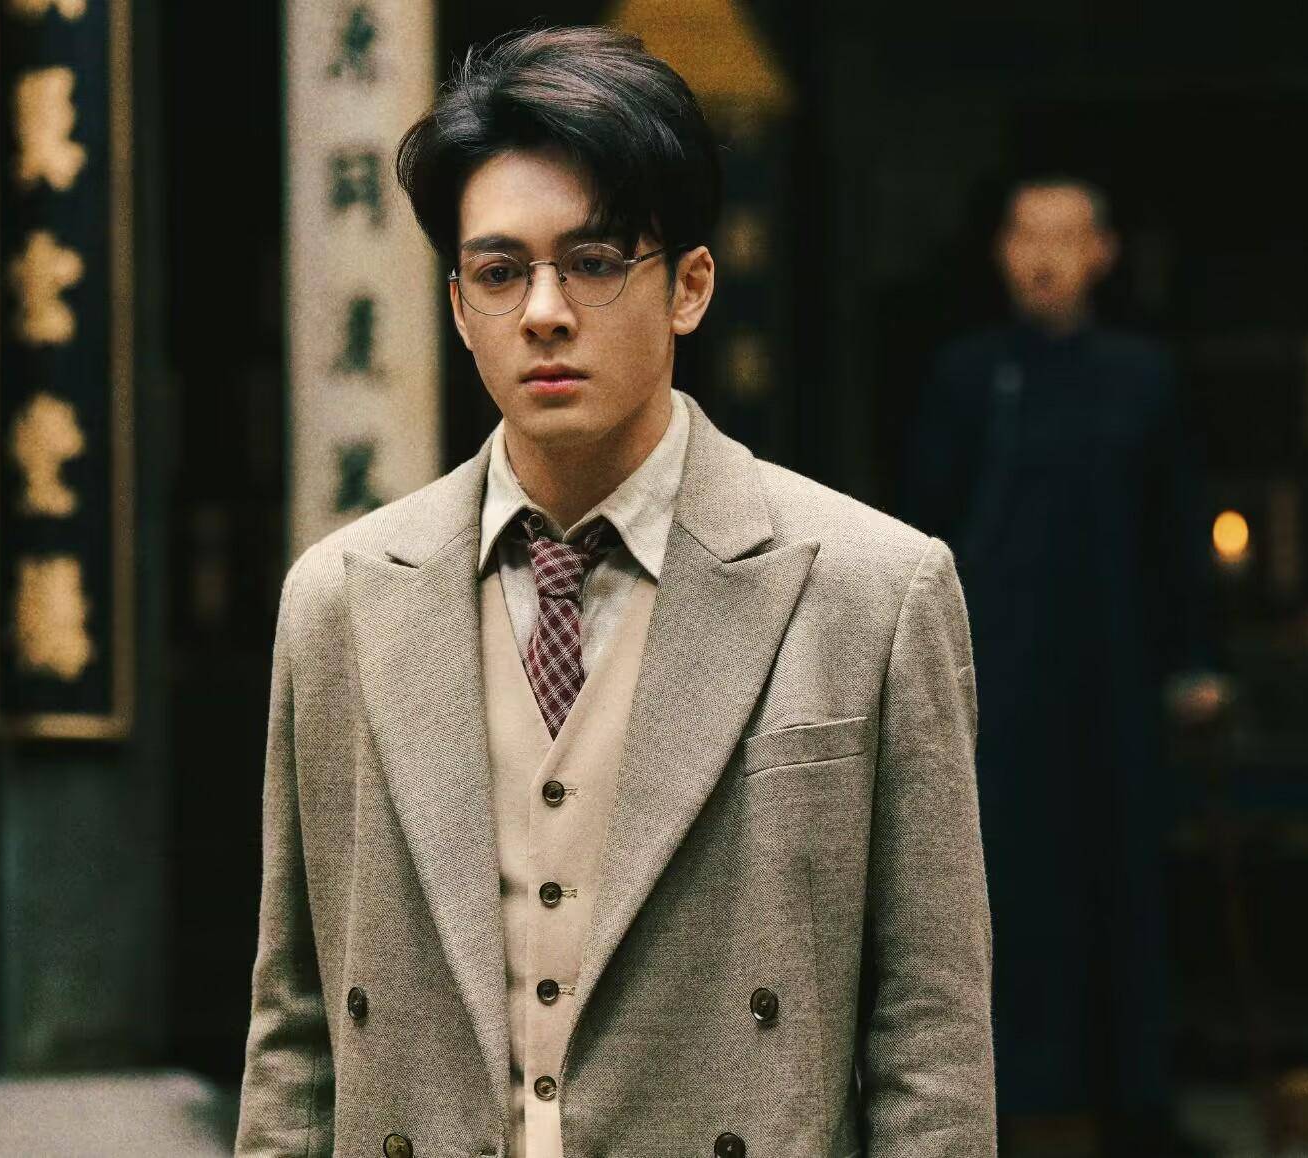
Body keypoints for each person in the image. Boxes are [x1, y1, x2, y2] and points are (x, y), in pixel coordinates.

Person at [236, 27, 995, 1158]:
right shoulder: (341, 602)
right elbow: (294, 1032)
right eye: (501, 273)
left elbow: (932, 1038)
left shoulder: (873, 593)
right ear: (459, 307)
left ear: (690, 286)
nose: (544, 311)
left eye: (593, 262)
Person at [904, 176, 1228, 1158]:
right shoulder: (968, 375)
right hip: (996, 674)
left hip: (1115, 667)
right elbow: (922, 529)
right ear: (1002, 253)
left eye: (1066, 237)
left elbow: (1178, 531)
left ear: (1103, 254)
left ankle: (1138, 1101)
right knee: (998, 888)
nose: (1044, 257)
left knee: (1124, 879)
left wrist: (1196, 661)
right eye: (1026, 236)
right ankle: (1000, 1107)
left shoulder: (1142, 376)